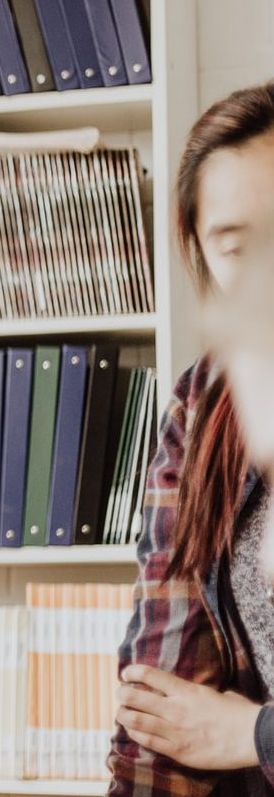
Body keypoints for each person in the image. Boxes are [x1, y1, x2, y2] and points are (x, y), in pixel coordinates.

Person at [109, 81, 274, 793]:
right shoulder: (207, 403)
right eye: (239, 247)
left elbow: (221, 730)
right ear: (202, 256)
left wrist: (252, 734)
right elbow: (162, 703)